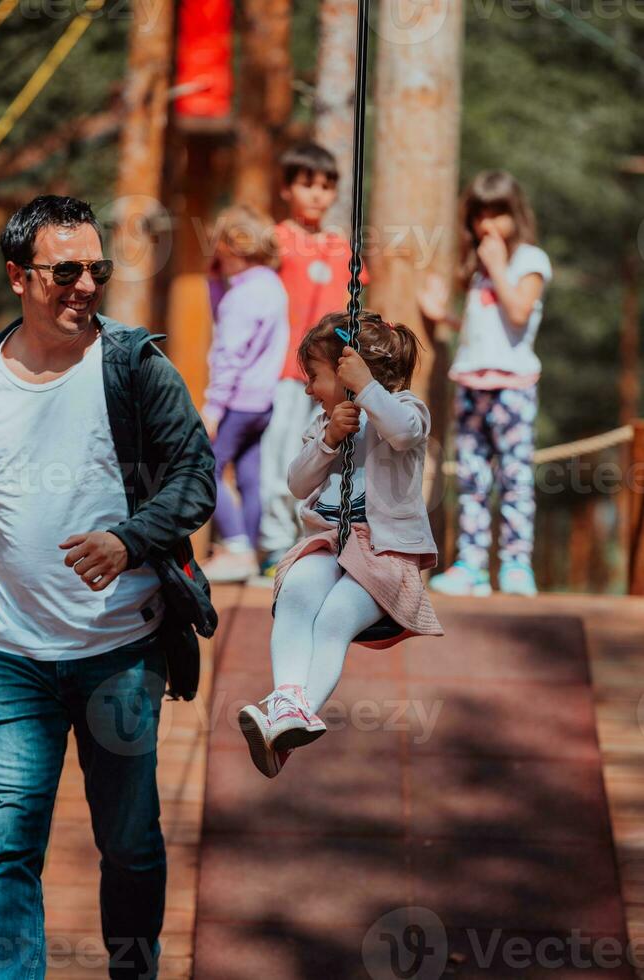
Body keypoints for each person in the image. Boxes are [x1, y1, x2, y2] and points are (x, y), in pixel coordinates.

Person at [0, 195, 215, 979]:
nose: (86, 285)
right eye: (65, 270)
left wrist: (129, 540)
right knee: (5, 843)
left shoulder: (134, 364)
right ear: (20, 276)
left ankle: (133, 971)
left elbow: (195, 476)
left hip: (119, 652)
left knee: (129, 843)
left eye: (98, 268)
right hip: (8, 656)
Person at [238, 311, 443, 778]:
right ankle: (289, 704)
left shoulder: (406, 408)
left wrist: (368, 390)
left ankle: (291, 711)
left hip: (385, 554)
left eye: (314, 376)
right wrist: (329, 439)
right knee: (295, 593)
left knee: (333, 617)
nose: (308, 388)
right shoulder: (327, 421)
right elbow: (296, 482)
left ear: (351, 371)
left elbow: (405, 432)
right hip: (331, 543)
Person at [418, 170, 552, 597]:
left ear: (516, 215)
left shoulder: (530, 261)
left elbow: (517, 314)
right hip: (471, 383)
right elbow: (484, 330)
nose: (488, 224)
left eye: (498, 213)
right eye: (480, 215)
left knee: (514, 478)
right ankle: (471, 565)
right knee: (473, 478)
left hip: (513, 387)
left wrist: (496, 266)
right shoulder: (477, 272)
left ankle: (515, 564)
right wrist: (444, 316)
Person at [258, 142, 369, 576]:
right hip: (284, 370)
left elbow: (353, 305)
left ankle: (313, 539)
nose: (318, 195)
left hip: (329, 375)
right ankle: (271, 542)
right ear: (287, 189)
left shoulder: (341, 248)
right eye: (307, 185)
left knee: (323, 450)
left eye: (326, 186)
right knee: (280, 451)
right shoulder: (274, 241)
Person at [200, 205, 289, 582]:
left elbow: (228, 356)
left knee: (205, 467)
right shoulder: (271, 285)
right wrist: (215, 281)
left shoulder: (241, 299)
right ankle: (251, 553)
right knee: (251, 475)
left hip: (235, 401)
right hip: (264, 401)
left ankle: (235, 545)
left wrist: (213, 408)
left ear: (231, 247)